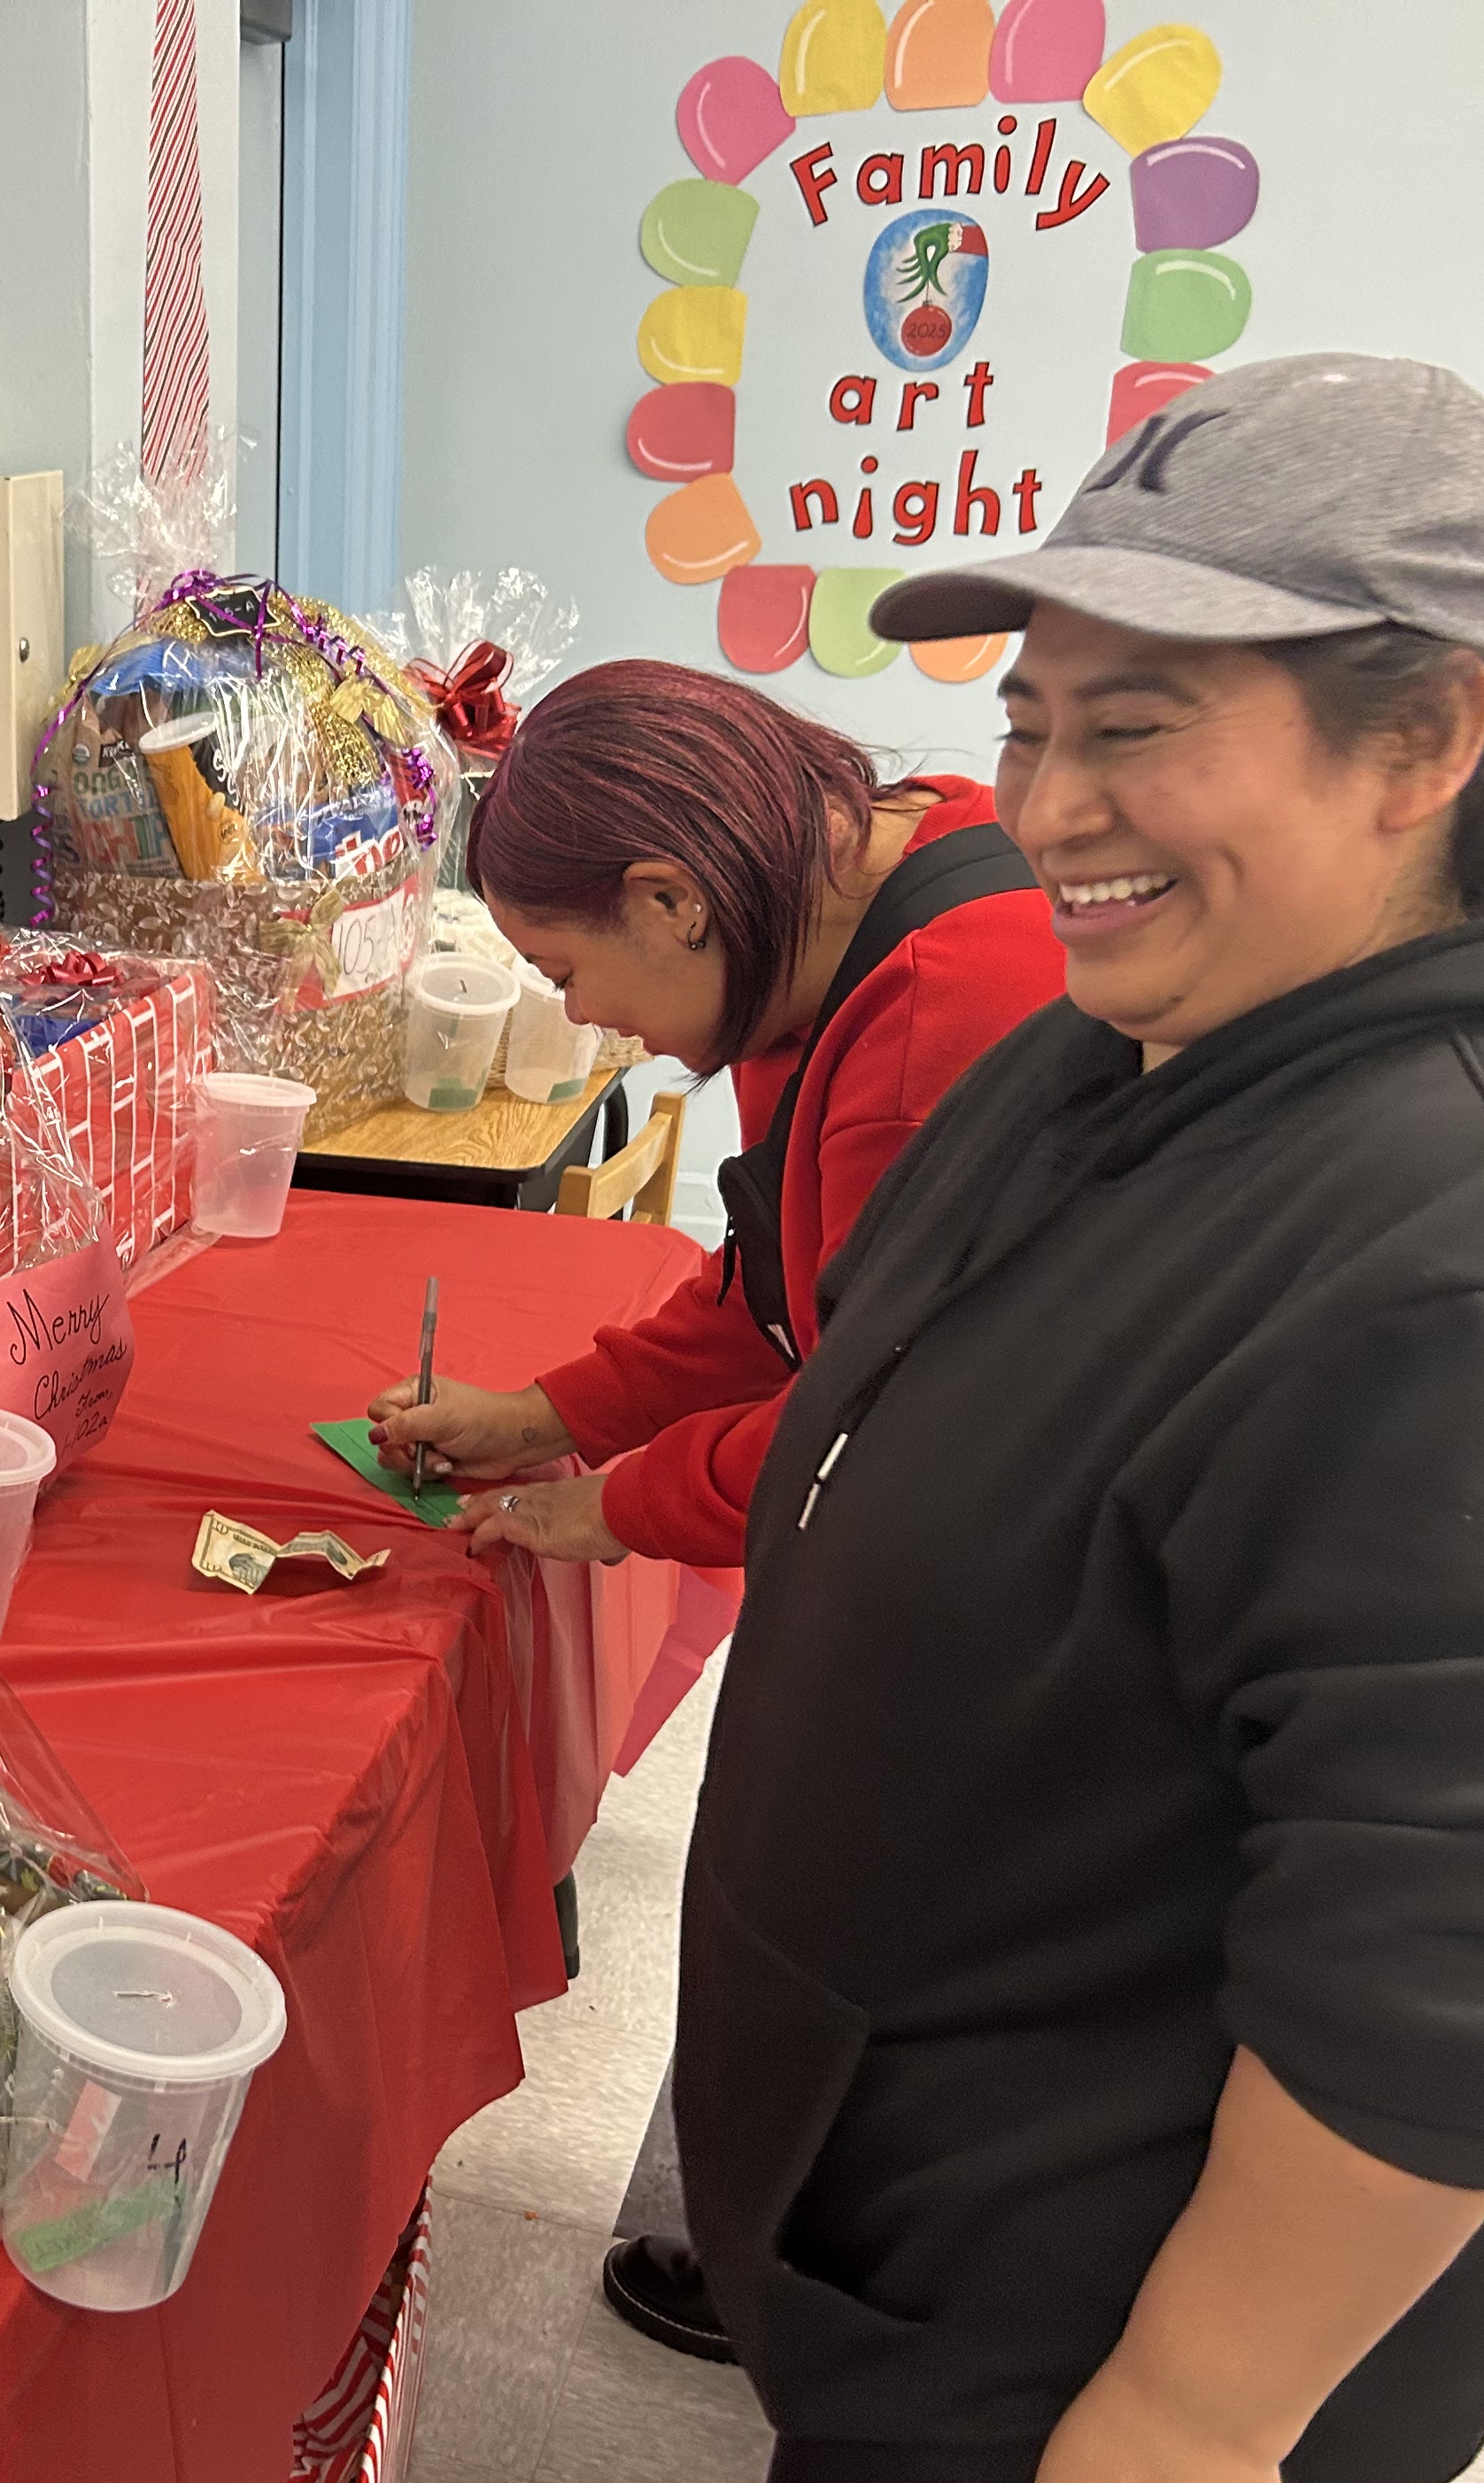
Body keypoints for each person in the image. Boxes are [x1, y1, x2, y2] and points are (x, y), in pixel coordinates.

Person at [681, 351, 1484, 2483]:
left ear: (1426, 744)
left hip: (1109, 2314)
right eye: (1031, 724)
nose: (1047, 805)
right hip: (937, 2207)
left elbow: (1463, 1981)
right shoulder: (1128, 1056)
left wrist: (1204, 2417)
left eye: (1138, 728)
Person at [362, 657, 1065, 2360]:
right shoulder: (825, 927)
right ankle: (753, 2225)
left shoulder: (944, 1016)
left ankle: (823, 2277)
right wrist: (548, 1418)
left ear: (671, 898)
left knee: (857, 1928)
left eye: (568, 973)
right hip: (930, 1542)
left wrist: (617, 1503)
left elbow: (882, 1431)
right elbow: (776, 1288)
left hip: (996, 1603)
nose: (589, 1022)